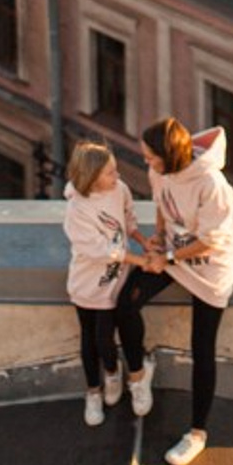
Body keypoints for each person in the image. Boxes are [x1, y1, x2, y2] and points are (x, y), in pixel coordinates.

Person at [114, 117, 233, 465]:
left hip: (209, 265)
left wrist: (167, 258)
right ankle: (139, 371)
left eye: (151, 156)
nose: (146, 161)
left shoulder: (212, 184)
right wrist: (158, 237)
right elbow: (161, 201)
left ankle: (197, 434)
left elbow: (211, 240)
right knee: (125, 304)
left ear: (169, 156)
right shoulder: (161, 171)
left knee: (202, 348)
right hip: (173, 252)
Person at [61, 140, 148, 427]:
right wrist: (139, 260)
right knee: (89, 339)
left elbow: (128, 219)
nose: (117, 176)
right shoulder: (77, 209)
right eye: (110, 172)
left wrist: (143, 241)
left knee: (105, 338)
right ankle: (94, 390)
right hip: (87, 283)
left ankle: (113, 371)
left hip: (114, 283)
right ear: (92, 176)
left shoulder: (119, 190)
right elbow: (99, 250)